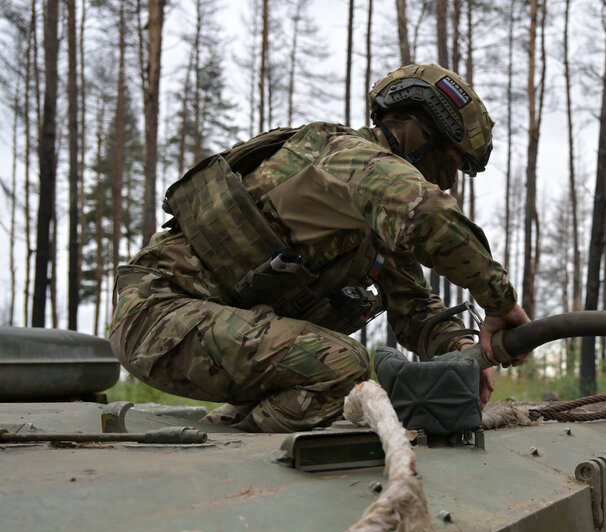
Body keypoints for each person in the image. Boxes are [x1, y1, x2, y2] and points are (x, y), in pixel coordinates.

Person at [109, 64, 530, 433]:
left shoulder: (372, 213)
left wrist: (462, 350)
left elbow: (416, 309)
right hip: (157, 314)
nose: (452, 182)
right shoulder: (344, 157)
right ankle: (236, 447)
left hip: (202, 325)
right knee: (343, 364)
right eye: (453, 163)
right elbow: (430, 216)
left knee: (336, 364)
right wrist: (501, 303)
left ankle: (236, 424)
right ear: (422, 134)